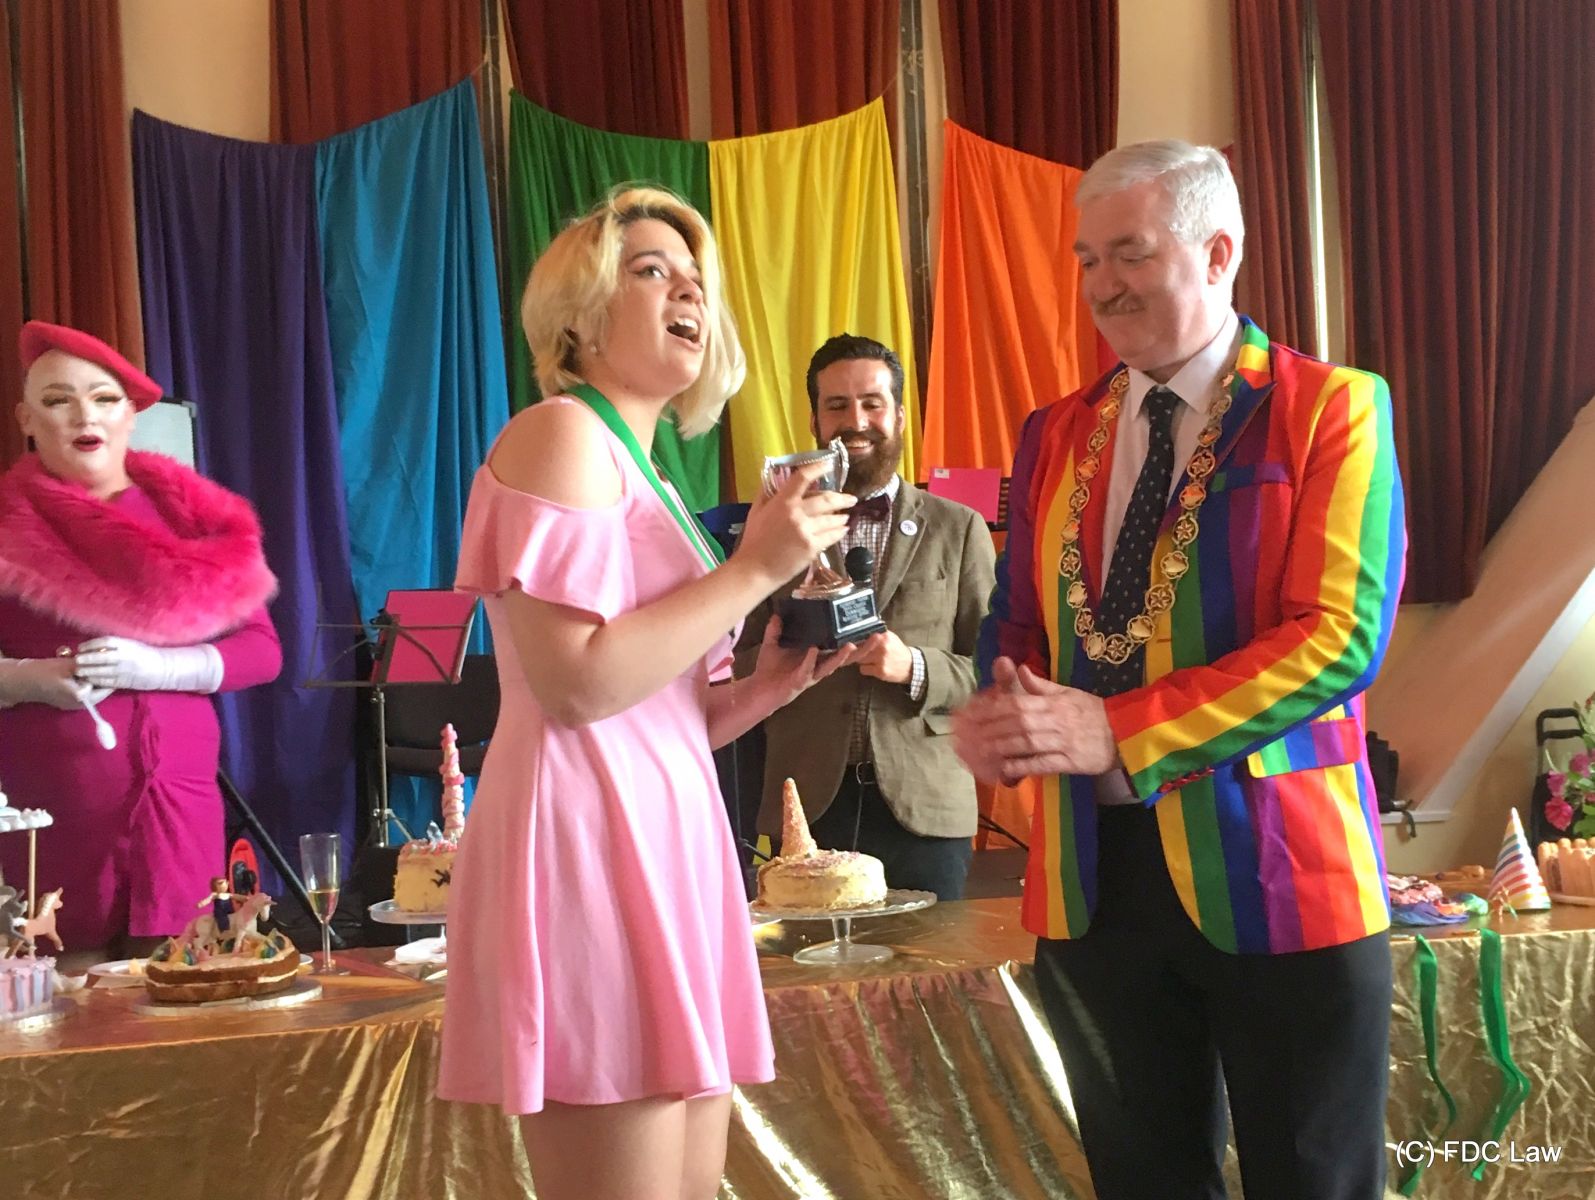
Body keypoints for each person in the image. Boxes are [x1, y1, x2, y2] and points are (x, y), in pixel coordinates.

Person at [953, 141, 1406, 1199]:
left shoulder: (1330, 407)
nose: (1101, 285)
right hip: (1091, 880)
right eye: (1083, 260)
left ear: (1216, 252)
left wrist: (1119, 732)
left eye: (1128, 253)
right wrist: (1001, 701)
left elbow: (1335, 638)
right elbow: (1018, 620)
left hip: (1282, 873)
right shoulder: (1054, 431)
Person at [437, 187, 862, 1200]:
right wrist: (755, 570)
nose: (687, 291)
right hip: (586, 841)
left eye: (696, 280)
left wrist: (768, 685)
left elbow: (664, 712)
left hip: (667, 832)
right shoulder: (559, 433)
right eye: (650, 270)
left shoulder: (649, 468)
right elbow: (576, 688)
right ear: (579, 313)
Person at [0, 321, 282, 967]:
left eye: (102, 397)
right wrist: (25, 679)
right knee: (62, 1010)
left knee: (181, 994)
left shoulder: (197, 520)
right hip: (51, 812)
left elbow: (262, 652)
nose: (82, 415)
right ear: (26, 418)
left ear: (131, 414)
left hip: (176, 808)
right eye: (57, 399)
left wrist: (162, 667)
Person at [735, 334, 995, 899]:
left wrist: (915, 667)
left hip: (925, 811)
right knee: (806, 984)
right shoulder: (772, 527)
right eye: (837, 405)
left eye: (872, 403)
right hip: (803, 802)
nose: (856, 420)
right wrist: (788, 658)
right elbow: (733, 663)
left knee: (929, 981)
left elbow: (996, 671)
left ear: (899, 415)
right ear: (815, 422)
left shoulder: (960, 528)